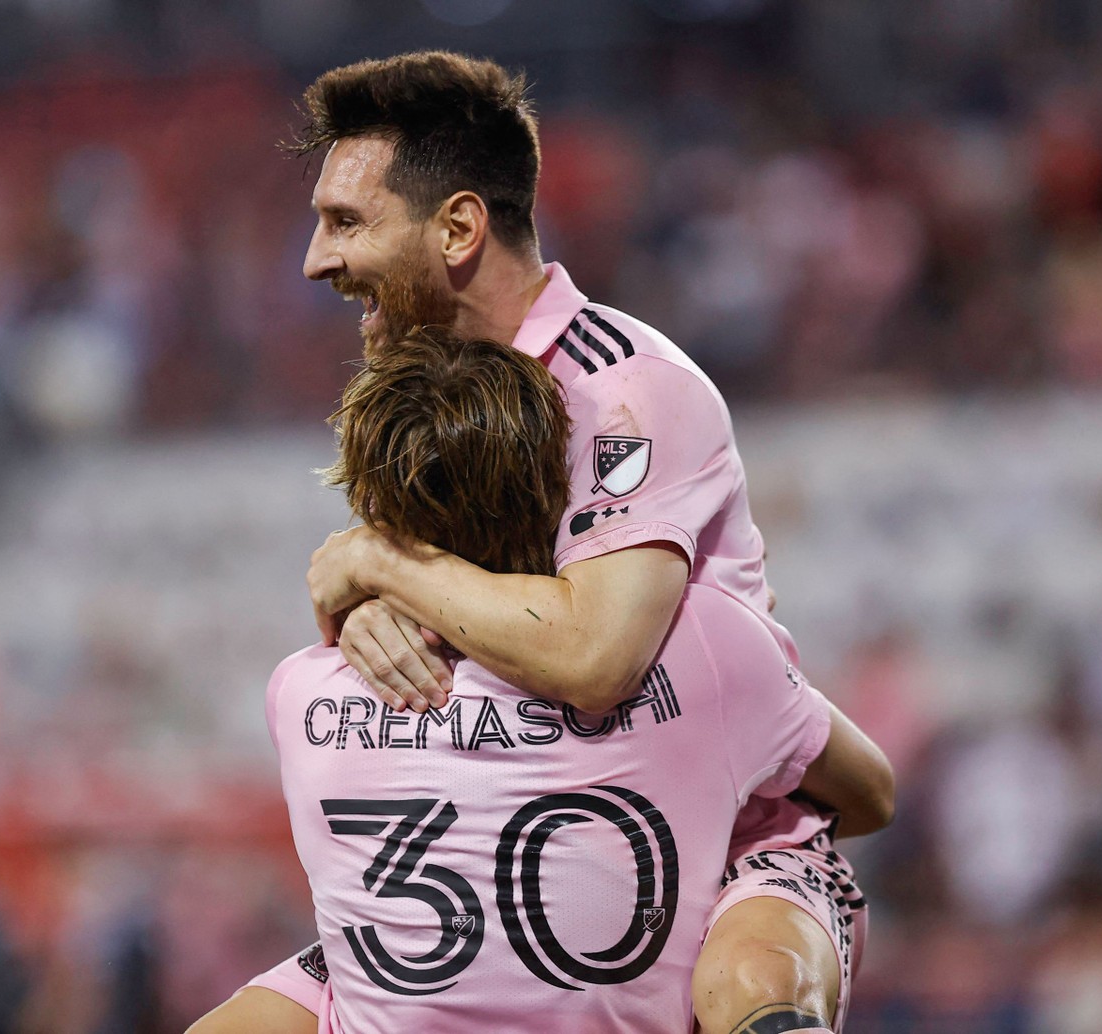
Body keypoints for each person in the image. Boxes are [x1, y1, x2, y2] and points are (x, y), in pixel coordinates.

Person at [199, 51, 894, 1033]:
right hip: (505, 815)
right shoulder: (423, 390)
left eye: (346, 222)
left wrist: (381, 562)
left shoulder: (625, 391)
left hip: (702, 842)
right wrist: (366, 607)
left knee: (751, 991)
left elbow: (594, 657)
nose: (316, 259)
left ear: (457, 227)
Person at [194, 330, 880, 1033]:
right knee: (767, 937)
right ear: (558, 484)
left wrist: (377, 579)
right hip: (654, 987)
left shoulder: (302, 693)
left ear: (376, 514)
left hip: (425, 979)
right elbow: (870, 795)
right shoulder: (700, 638)